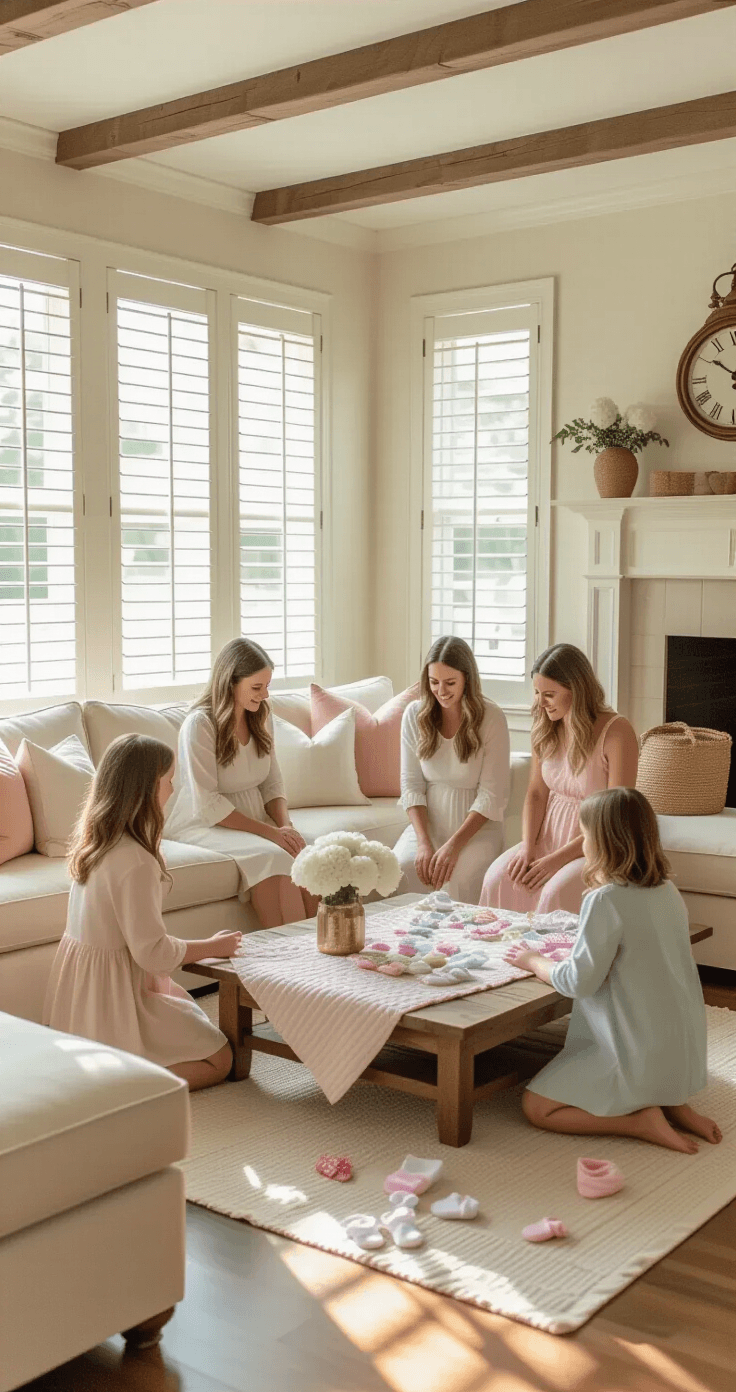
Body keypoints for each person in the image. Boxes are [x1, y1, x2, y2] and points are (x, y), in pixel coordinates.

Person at [505, 787, 720, 1152]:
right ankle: (673, 1102)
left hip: (636, 1052)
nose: (583, 845)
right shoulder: (667, 890)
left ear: (603, 842)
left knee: (537, 1108)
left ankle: (637, 1121)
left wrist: (534, 961)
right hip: (681, 1053)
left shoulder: (605, 900)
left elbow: (577, 982)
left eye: (585, 836)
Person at [43, 734, 238, 1092]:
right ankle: (124, 1090)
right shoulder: (136, 862)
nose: (174, 788)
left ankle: (110, 1075)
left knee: (184, 1009)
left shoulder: (95, 845)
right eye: (168, 780)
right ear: (147, 790)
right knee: (221, 1059)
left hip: (88, 1004)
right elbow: (152, 953)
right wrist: (213, 946)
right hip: (117, 1003)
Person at [166, 638, 317, 928]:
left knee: (305, 852)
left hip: (253, 815)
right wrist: (271, 834)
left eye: (267, 686)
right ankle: (281, 949)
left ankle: (315, 941)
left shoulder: (261, 716)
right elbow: (207, 803)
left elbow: (272, 783)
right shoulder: (200, 725)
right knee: (270, 855)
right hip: (205, 823)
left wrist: (286, 827)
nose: (264, 695)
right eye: (256, 688)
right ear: (229, 683)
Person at [481, 643, 639, 914]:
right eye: (537, 693)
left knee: (554, 893)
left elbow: (615, 815)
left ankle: (549, 956)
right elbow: (536, 794)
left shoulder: (617, 732)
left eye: (550, 694)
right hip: (548, 838)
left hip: (598, 846)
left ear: (577, 690)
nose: (540, 703)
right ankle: (501, 954)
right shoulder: (546, 727)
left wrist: (556, 861)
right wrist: (527, 848)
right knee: (496, 880)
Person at [393, 635, 510, 903]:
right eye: (434, 682)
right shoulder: (414, 714)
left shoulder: (491, 718)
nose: (441, 691)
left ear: (467, 678)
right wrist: (424, 842)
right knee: (402, 867)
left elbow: (492, 795)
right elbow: (411, 784)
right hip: (428, 827)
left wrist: (453, 847)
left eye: (450, 683)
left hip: (477, 833)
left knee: (458, 878)